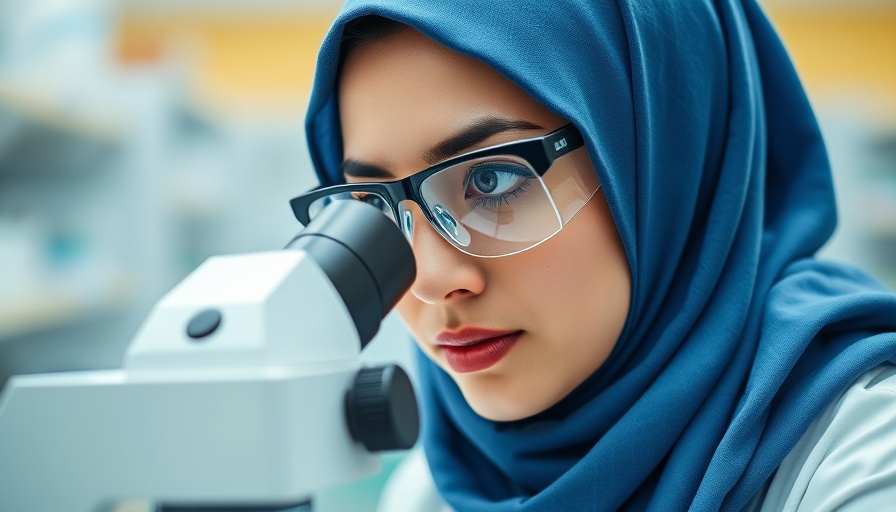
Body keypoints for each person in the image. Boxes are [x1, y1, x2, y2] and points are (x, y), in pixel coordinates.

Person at [290, 1, 896, 510]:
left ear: (663, 165)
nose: (428, 282)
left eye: (493, 181)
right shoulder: (436, 488)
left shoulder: (862, 452)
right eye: (371, 208)